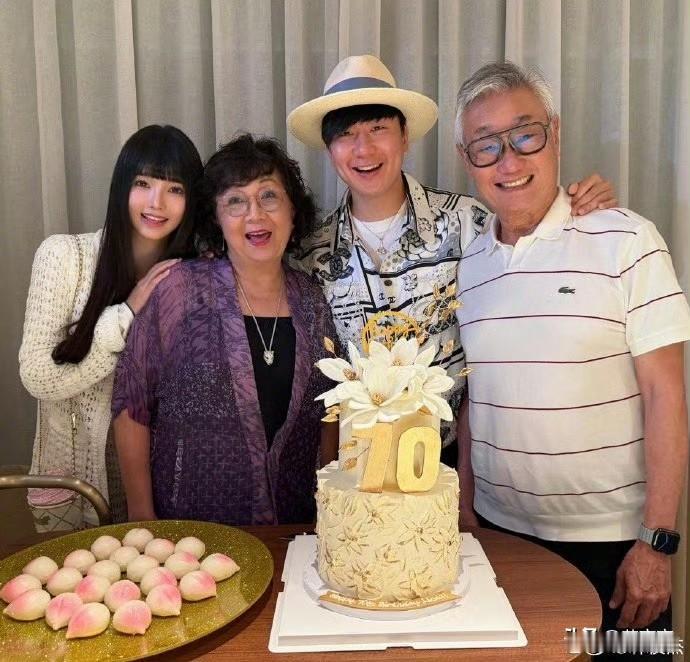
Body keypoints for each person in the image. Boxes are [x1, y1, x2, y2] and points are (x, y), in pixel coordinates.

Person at [455, 61, 690, 659]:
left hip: (616, 548)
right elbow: (477, 398)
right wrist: (466, 512)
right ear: (467, 159)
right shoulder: (470, 266)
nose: (508, 161)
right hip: (503, 540)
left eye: (525, 135)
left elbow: (667, 395)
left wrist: (657, 543)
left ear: (554, 134)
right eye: (486, 145)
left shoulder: (628, 240)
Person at [287, 54, 617, 464]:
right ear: (329, 149)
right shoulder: (310, 256)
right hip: (357, 465)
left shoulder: (469, 223)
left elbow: (538, 270)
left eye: (378, 128)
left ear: (405, 136)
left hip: (460, 460)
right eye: (346, 134)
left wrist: (578, 205)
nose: (364, 148)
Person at [112, 134, 339, 525]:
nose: (255, 214)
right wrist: (141, 513)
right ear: (216, 217)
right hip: (191, 530)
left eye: (269, 196)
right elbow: (132, 404)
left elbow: (330, 410)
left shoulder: (312, 300)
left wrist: (331, 506)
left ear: (292, 211)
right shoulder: (179, 290)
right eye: (236, 201)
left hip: (294, 527)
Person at [19, 125, 203, 525]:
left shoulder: (192, 276)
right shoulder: (64, 256)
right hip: (73, 486)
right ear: (122, 187)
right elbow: (37, 377)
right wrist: (127, 313)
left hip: (157, 484)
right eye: (143, 183)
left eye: (174, 189)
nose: (156, 202)